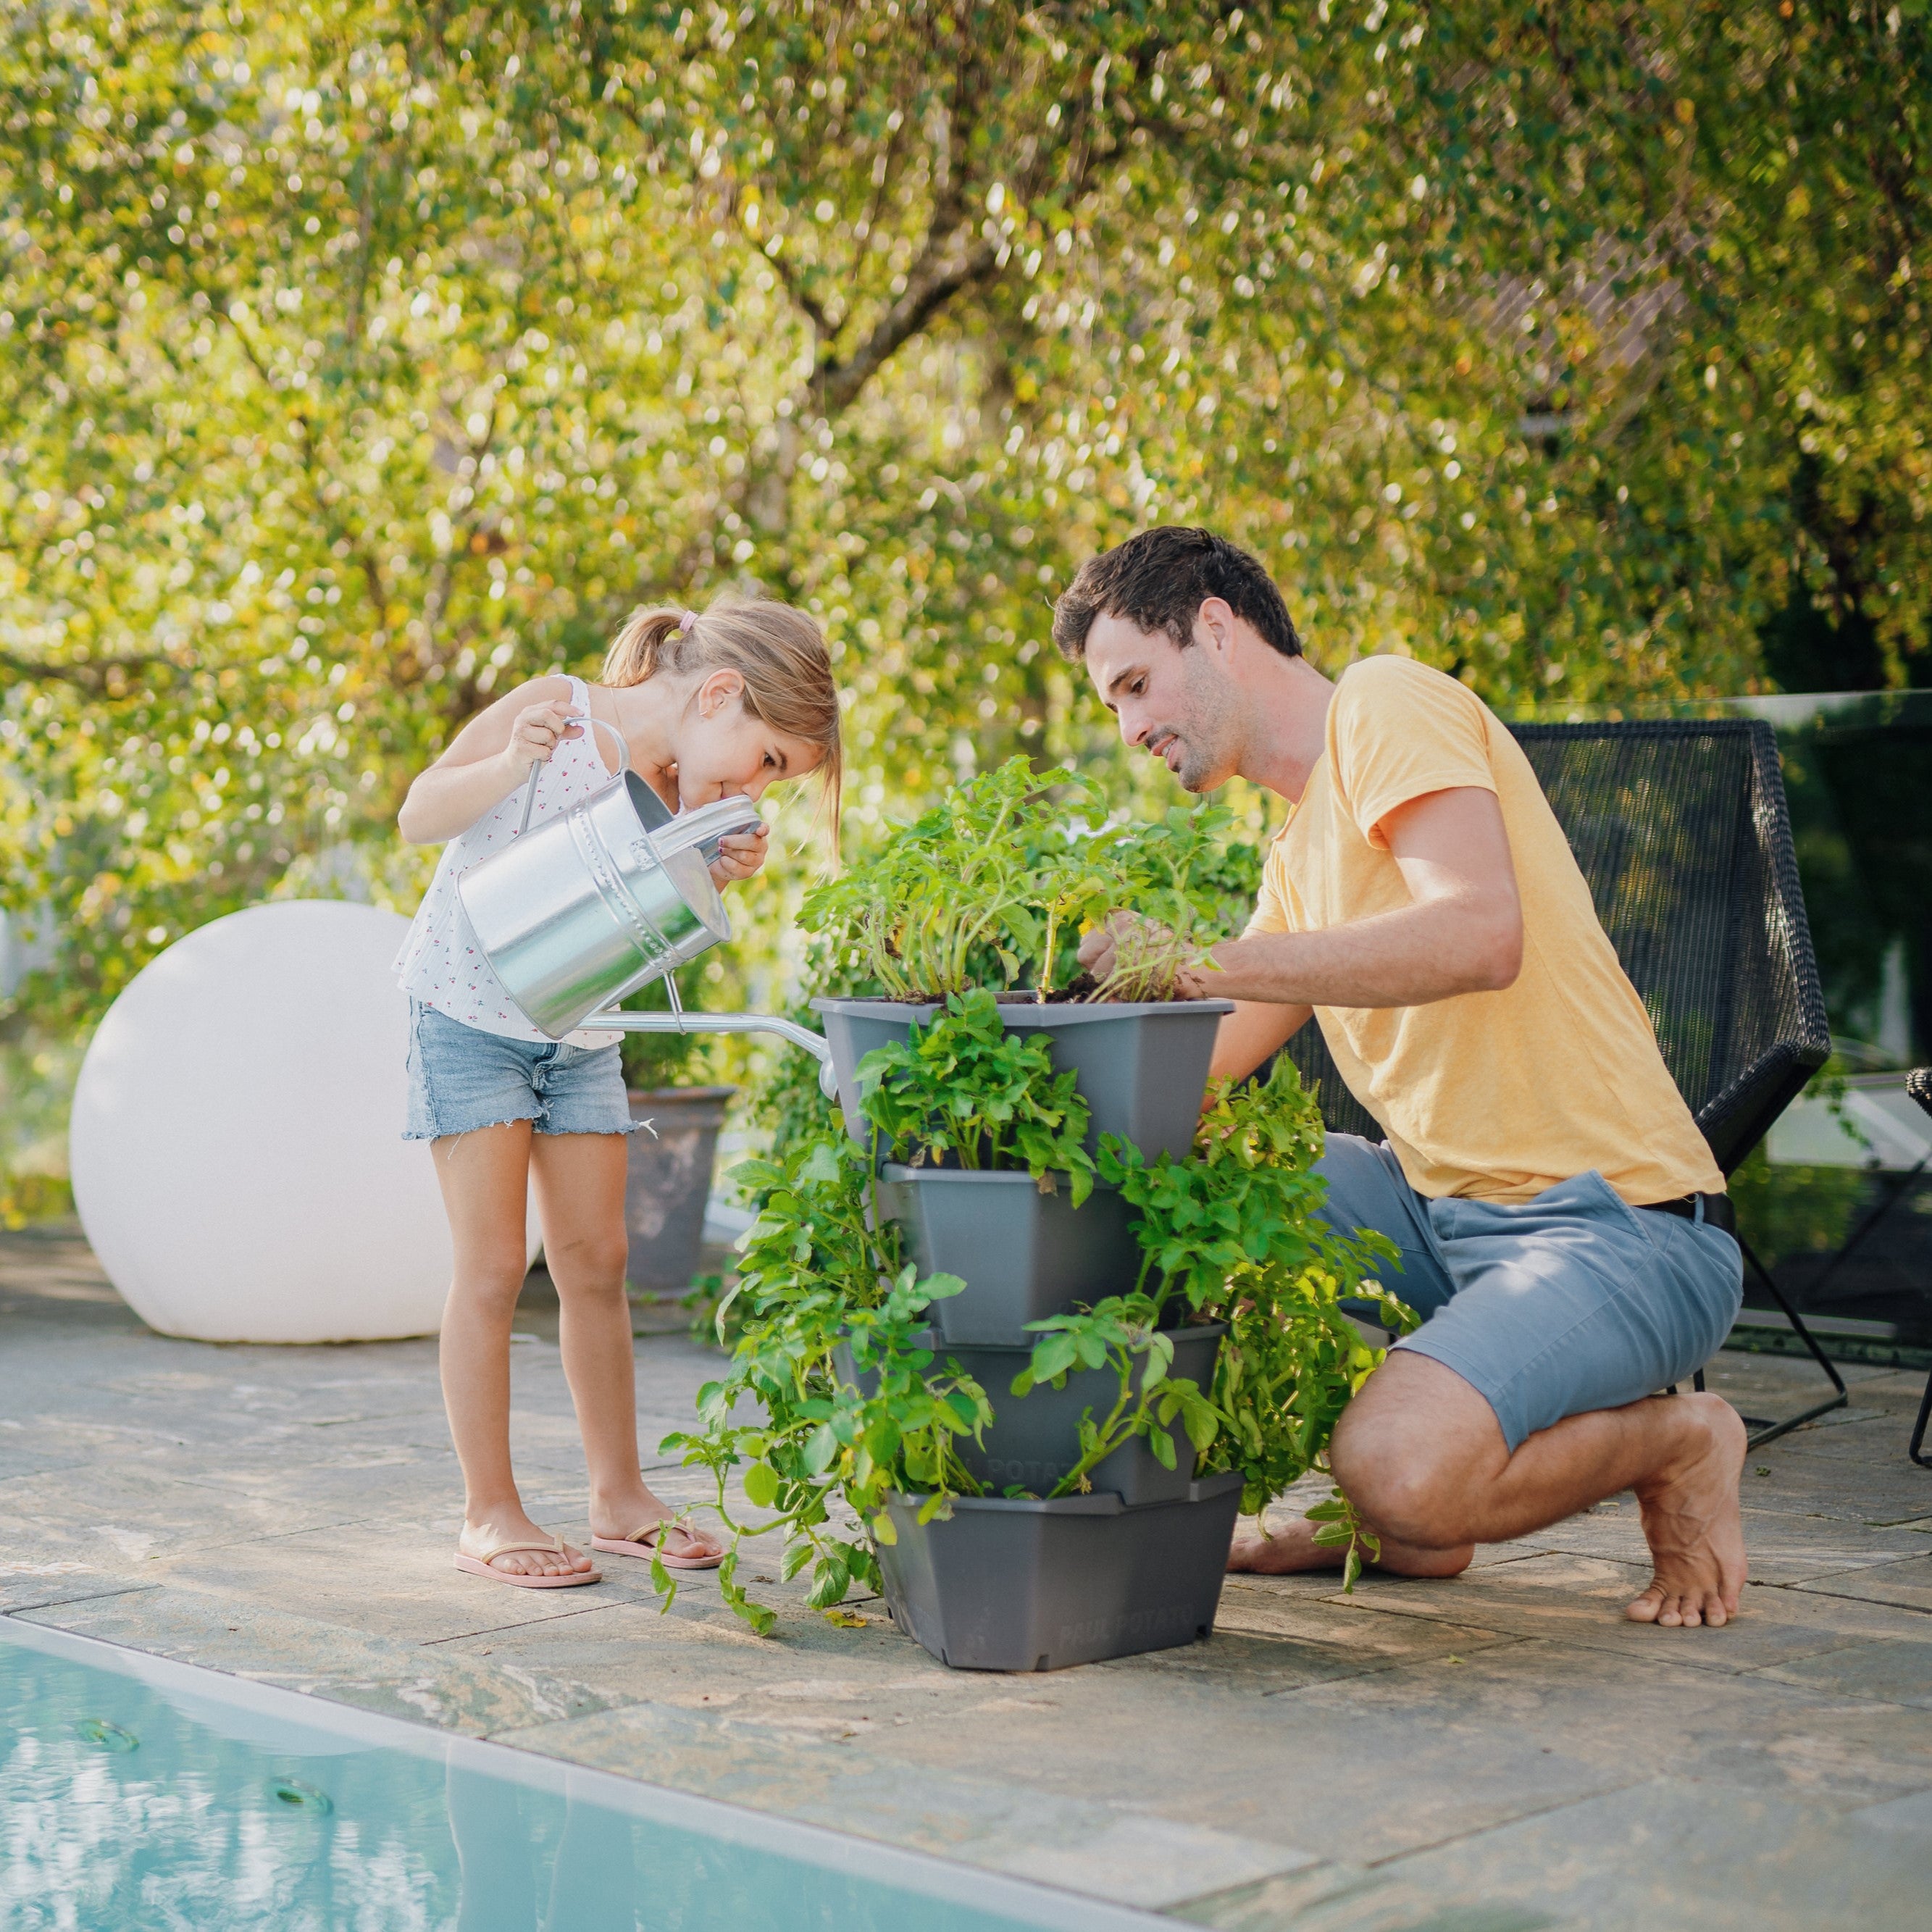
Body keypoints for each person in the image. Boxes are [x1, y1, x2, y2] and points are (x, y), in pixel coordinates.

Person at [1053, 527, 1747, 1630]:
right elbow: (1203, 1070)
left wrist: (1199, 960)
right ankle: (1415, 1540)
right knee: (1179, 1183)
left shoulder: (1385, 702)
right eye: (1113, 707)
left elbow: (1482, 934)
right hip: (1436, 1214)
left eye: (1136, 684)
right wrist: (1020, 1056)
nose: (1133, 727)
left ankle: (1679, 1441)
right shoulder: (1295, 854)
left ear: (1217, 627)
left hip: (1622, 1226)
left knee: (1398, 1468)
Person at [395, 596, 841, 1588]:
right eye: (768, 759)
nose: (761, 788)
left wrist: (714, 875)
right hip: (471, 1019)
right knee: (495, 1266)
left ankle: (619, 1494)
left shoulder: (687, 793)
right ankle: (490, 1512)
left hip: (580, 1030)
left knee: (599, 1260)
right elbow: (417, 813)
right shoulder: (559, 711)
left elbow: (630, 924)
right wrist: (512, 761)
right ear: (719, 692)